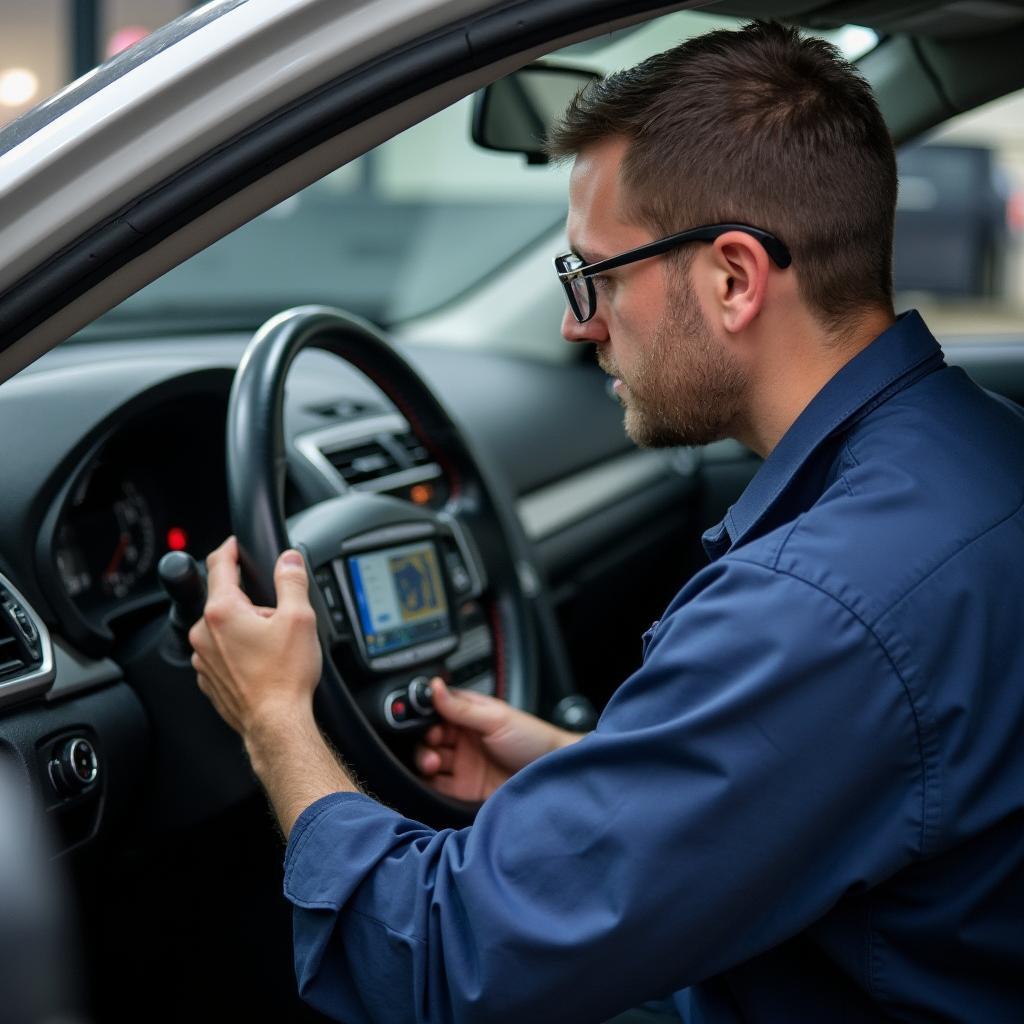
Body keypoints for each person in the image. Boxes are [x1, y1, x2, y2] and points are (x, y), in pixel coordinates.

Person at [188, 20, 1024, 1023]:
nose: (574, 324)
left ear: (732, 279)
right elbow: (820, 775)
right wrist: (576, 780)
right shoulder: (975, 450)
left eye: (594, 275)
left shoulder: (817, 607)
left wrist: (275, 713)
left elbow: (437, 964)